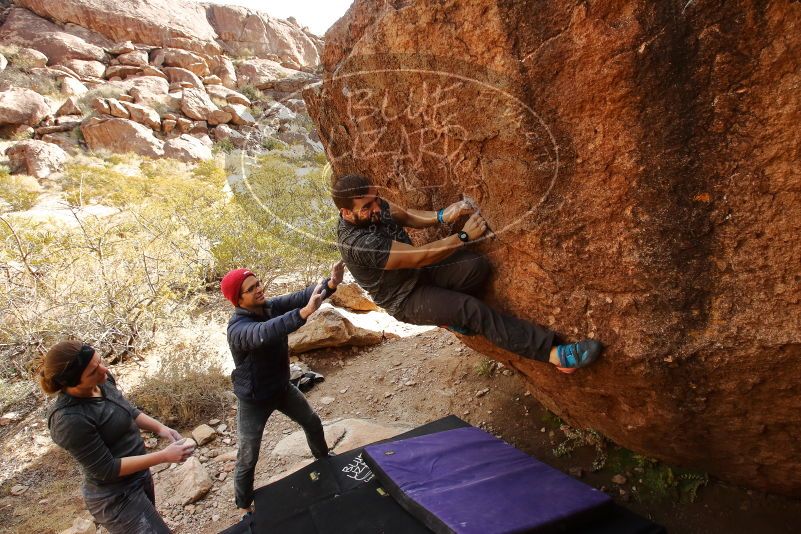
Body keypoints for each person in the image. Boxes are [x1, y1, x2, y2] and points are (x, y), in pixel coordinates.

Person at [332, 174, 602, 372]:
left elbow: (402, 214)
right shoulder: (359, 244)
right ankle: (553, 354)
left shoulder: (373, 205)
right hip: (406, 297)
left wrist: (440, 216)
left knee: (476, 266)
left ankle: (447, 311)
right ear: (346, 212)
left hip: (422, 272)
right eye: (367, 207)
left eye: (375, 200)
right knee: (470, 309)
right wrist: (461, 236)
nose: (376, 208)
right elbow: (418, 256)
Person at [221, 263, 343, 514]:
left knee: (312, 421)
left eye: (258, 284)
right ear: (238, 299)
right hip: (253, 399)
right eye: (251, 288)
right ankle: (243, 504)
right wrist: (303, 313)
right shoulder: (237, 329)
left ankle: (324, 461)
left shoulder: (269, 306)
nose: (259, 289)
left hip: (281, 388)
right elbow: (265, 332)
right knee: (248, 454)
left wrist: (330, 284)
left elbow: (302, 295)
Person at [40, 340, 195, 534]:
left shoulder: (102, 381)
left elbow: (127, 410)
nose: (104, 370)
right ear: (72, 382)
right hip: (114, 497)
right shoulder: (69, 420)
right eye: (93, 371)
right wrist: (164, 456)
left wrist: (160, 428)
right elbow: (106, 469)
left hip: (139, 476)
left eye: (100, 361)